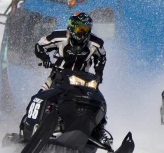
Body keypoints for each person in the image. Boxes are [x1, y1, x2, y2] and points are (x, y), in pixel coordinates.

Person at [32, 11, 109, 141]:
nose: (82, 32)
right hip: (58, 75)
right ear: (72, 27)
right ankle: (33, 125)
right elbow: (39, 46)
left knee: (98, 99)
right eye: (79, 28)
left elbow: (101, 57)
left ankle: (100, 130)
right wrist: (45, 58)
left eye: (85, 29)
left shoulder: (96, 43)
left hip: (83, 80)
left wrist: (99, 74)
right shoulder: (58, 36)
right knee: (40, 97)